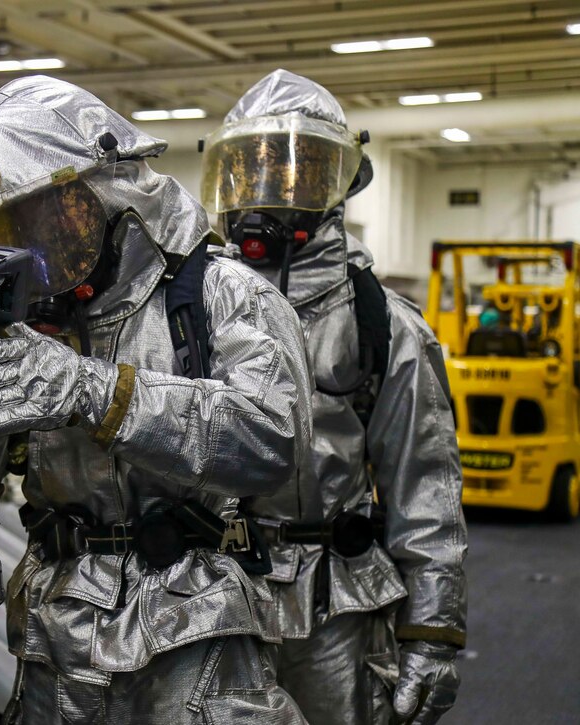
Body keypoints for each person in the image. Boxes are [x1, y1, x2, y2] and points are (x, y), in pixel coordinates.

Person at [0, 75, 313, 723]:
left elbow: (274, 442)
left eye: (41, 213)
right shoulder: (26, 320)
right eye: (9, 223)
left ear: (96, 193)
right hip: (57, 635)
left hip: (192, 636)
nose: (27, 239)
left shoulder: (222, 296)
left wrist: (97, 390)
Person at [199, 69, 467, 725]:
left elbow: (424, 486)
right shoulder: (191, 308)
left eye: (294, 169)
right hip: (205, 595)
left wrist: (433, 634)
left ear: (337, 183)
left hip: (332, 609)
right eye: (250, 169)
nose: (266, 190)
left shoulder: (383, 323)